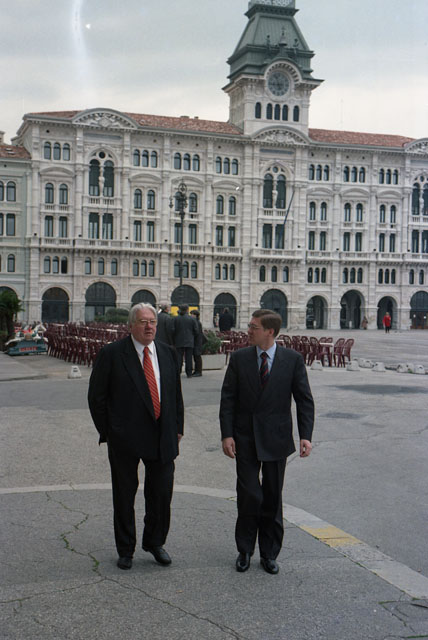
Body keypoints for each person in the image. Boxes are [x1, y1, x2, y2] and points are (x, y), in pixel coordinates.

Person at [88, 303, 184, 571]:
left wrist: (178, 427)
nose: (149, 326)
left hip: (162, 436)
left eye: (152, 321)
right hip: (125, 438)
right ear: (130, 326)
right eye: (143, 322)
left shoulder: (168, 353)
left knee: (161, 494)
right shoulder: (112, 354)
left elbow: (175, 394)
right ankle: (125, 549)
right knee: (124, 495)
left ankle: (155, 542)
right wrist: (110, 431)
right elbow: (96, 397)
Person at [220, 309, 314, 575]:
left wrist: (305, 435)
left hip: (276, 437)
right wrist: (227, 434)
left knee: (272, 496)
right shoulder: (239, 358)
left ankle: (269, 553)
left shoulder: (292, 360)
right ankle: (245, 550)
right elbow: (228, 399)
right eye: (250, 326)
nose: (248, 331)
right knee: (249, 495)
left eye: (254, 327)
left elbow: (304, 399)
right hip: (245, 437)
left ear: (270, 332)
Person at [173, 304, 198, 378]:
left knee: (179, 357)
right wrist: (192, 336)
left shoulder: (176, 319)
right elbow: (196, 330)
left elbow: (172, 330)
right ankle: (189, 373)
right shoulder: (192, 319)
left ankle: (178, 371)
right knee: (189, 358)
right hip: (189, 340)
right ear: (187, 309)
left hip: (178, 340)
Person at [190, 309, 205, 377]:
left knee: (197, 356)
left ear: (195, 315)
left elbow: (197, 332)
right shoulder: (196, 322)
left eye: (192, 314)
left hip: (197, 341)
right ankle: (196, 371)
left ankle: (198, 371)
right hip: (197, 341)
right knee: (196, 357)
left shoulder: (197, 322)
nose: (191, 315)